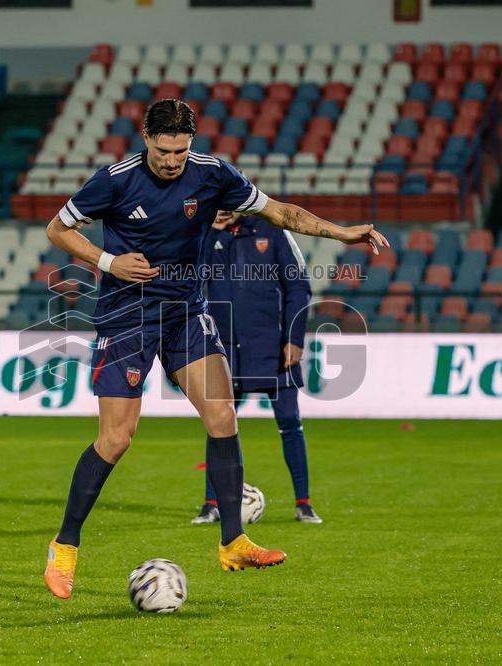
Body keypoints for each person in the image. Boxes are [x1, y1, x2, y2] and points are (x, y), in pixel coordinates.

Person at [43, 99, 387, 599]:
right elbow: (58, 229)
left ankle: (234, 541)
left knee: (223, 416)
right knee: (117, 439)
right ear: (146, 139)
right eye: (164, 151)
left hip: (185, 312)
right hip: (127, 317)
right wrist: (109, 261)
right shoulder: (114, 180)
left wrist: (341, 232)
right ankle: (65, 547)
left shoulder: (212, 175)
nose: (172, 161)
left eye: (181, 150)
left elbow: (282, 212)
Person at [191, 209, 322, 525]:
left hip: (273, 346)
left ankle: (303, 503)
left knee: (289, 421)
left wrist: (294, 338)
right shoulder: (207, 235)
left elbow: (299, 287)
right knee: (218, 425)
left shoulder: (273, 231)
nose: (223, 207)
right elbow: (193, 278)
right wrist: (209, 231)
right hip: (224, 348)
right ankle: (212, 504)